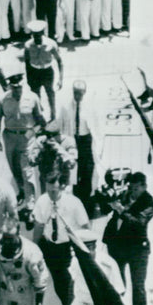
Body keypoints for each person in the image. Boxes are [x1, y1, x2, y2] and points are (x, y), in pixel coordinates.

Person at [32, 171, 91, 305]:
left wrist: (87, 252)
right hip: (50, 247)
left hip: (67, 248)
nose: (51, 194)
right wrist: (34, 248)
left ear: (62, 187)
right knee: (57, 281)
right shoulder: (42, 201)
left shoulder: (74, 203)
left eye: (54, 191)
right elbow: (38, 226)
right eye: (48, 189)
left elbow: (86, 227)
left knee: (68, 283)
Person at [102, 171, 153, 305]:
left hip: (138, 249)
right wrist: (108, 199)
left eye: (136, 189)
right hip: (117, 245)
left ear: (144, 187)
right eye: (131, 188)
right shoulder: (124, 194)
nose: (133, 192)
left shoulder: (149, 203)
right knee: (116, 281)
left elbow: (138, 224)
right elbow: (105, 208)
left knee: (138, 285)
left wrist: (120, 209)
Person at [0, 69, 46, 213]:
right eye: (14, 88)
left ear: (24, 85)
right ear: (10, 87)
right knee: (15, 168)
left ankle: (31, 202)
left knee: (27, 171)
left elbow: (41, 121)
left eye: (20, 87)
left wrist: (31, 134)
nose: (17, 91)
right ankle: (22, 191)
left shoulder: (32, 98)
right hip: (9, 137)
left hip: (26, 138)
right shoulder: (3, 99)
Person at [57, 80, 98, 216]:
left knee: (87, 171)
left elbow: (96, 126)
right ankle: (74, 202)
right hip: (72, 140)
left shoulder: (90, 107)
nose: (77, 95)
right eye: (75, 92)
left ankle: (86, 203)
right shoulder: (65, 107)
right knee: (73, 171)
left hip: (85, 141)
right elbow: (61, 125)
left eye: (80, 93)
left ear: (84, 93)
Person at [24, 19, 63, 121]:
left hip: (47, 72)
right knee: (35, 97)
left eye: (38, 35)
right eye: (34, 35)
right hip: (34, 72)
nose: (36, 38)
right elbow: (27, 62)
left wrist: (60, 79)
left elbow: (59, 61)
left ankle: (53, 116)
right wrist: (28, 78)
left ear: (42, 33)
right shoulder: (28, 45)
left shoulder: (51, 44)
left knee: (50, 94)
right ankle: (38, 118)